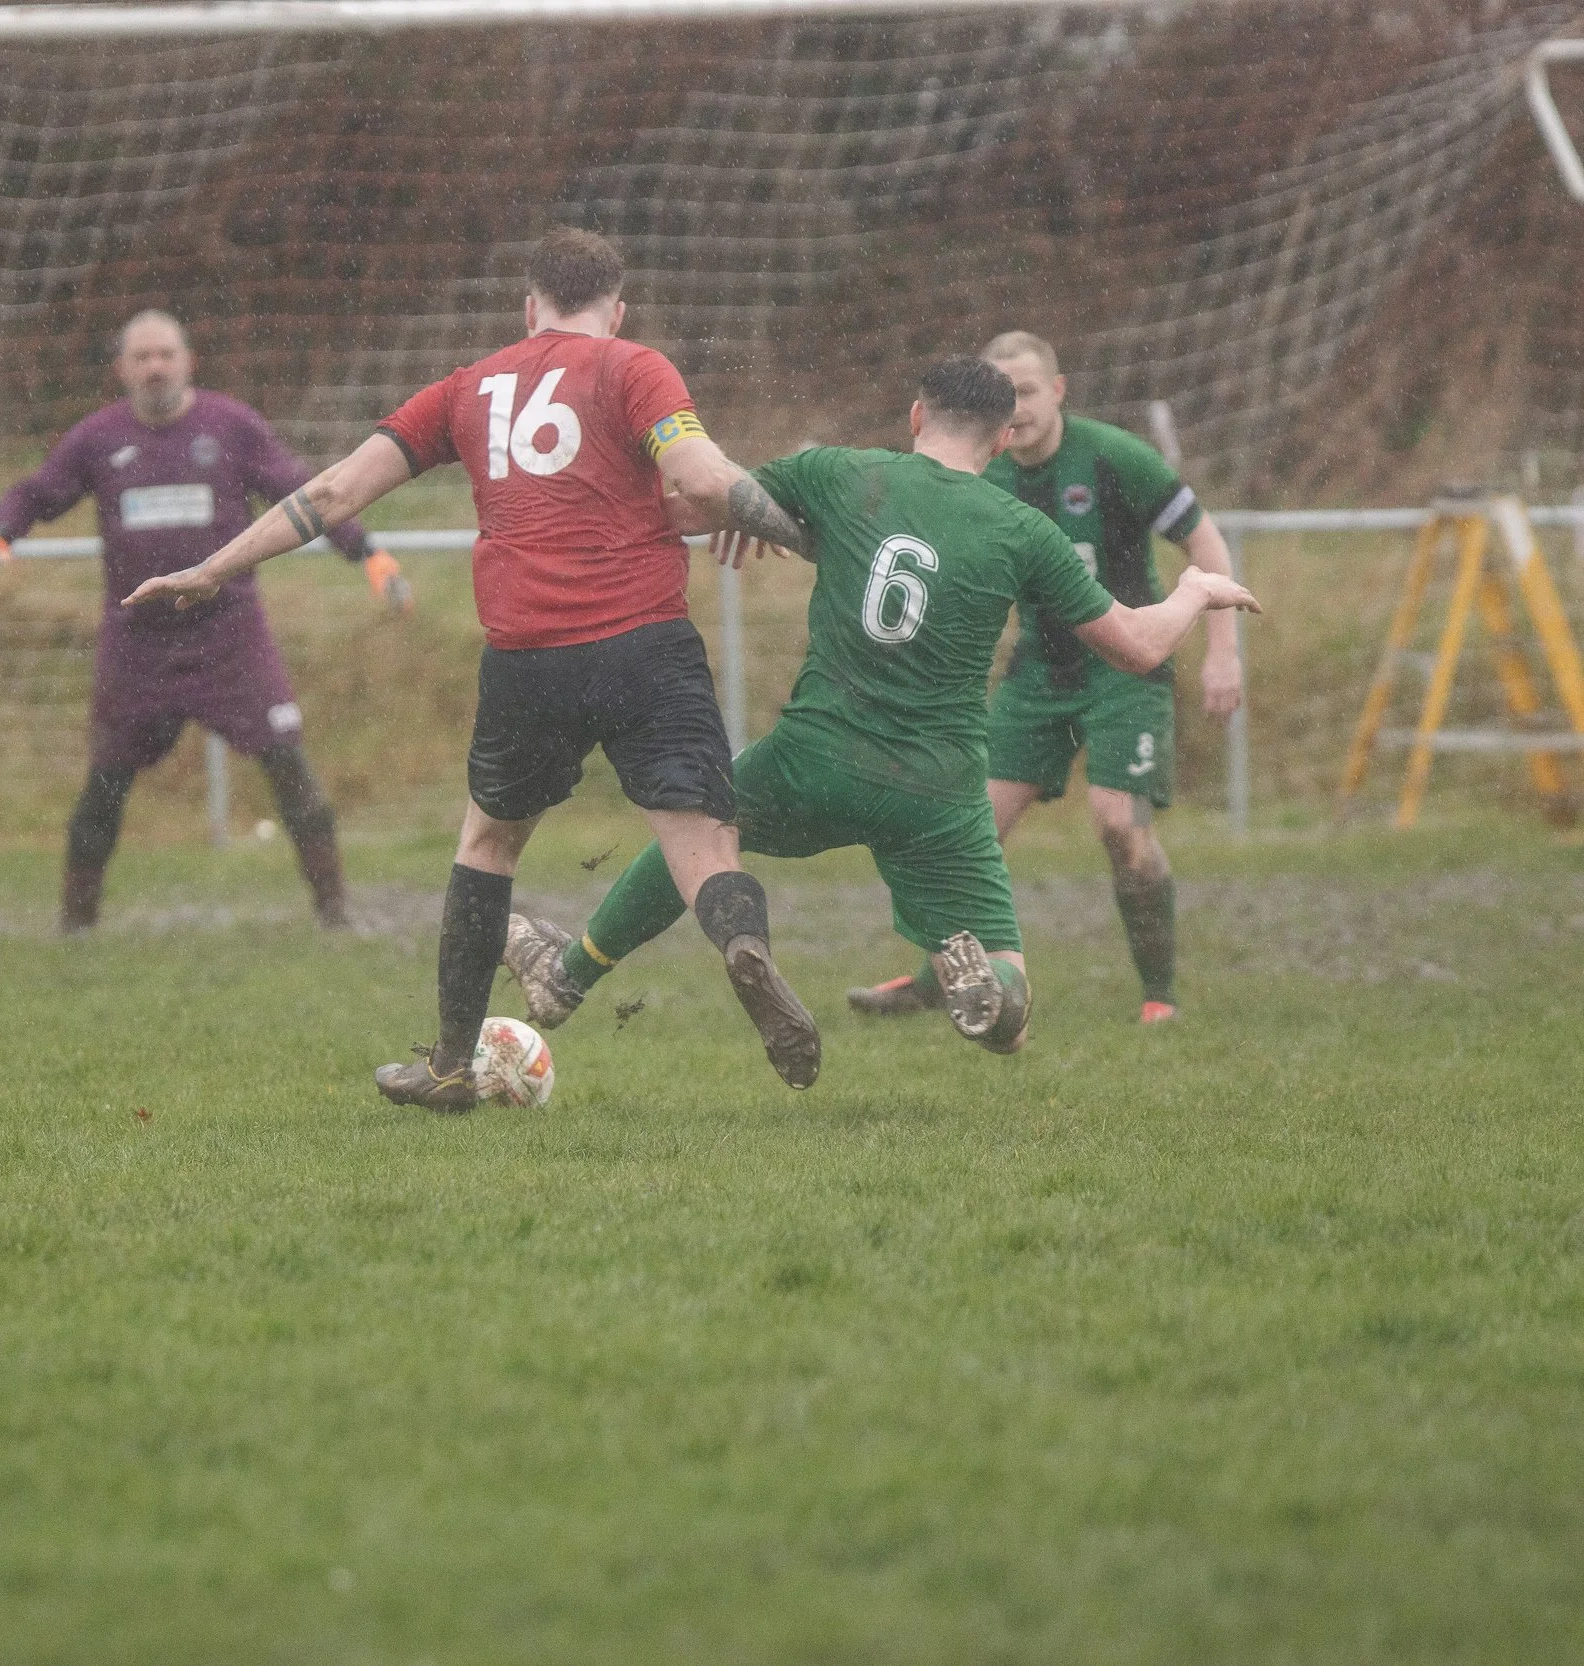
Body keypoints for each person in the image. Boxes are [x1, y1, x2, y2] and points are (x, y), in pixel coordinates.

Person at [127, 227, 823, 1109]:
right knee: (700, 841)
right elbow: (702, 474)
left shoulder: (469, 387)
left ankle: (452, 1065)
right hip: (647, 646)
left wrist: (213, 567)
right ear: (619, 308)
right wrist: (799, 532)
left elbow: (335, 491)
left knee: (488, 844)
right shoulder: (635, 368)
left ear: (529, 308)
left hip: (529, 657)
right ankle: (742, 949)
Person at [500, 357, 1260, 1054]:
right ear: (1000, 441)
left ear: (915, 416)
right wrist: (1194, 592)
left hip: (815, 759)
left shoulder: (840, 473)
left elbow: (698, 501)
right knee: (1007, 993)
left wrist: (683, 520)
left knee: (696, 834)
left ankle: (569, 974)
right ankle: (989, 988)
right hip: (938, 791)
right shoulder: (1022, 529)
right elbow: (1135, 646)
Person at [848, 331, 1244, 1024]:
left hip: (1126, 667)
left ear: (1057, 391)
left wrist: (1223, 650)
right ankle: (936, 980)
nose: (1018, 406)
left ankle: (1161, 996)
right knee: (973, 828)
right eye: (1005, 394)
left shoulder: (1114, 456)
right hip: (1038, 673)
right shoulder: (983, 469)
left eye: (1029, 390)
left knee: (1120, 823)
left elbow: (1204, 540)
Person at [0, 310, 407, 932]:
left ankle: (336, 918)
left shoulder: (231, 427)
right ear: (121, 369)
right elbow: (38, 492)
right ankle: (75, 928)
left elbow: (302, 492)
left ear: (188, 361)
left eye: (166, 355)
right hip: (136, 640)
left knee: (287, 760)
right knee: (107, 779)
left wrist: (365, 550)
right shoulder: (98, 438)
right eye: (141, 357)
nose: (155, 368)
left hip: (229, 632)